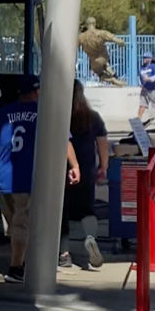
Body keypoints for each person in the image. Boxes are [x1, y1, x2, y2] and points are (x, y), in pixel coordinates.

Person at [0, 76, 79, 283]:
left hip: (4, 178)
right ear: (35, 92)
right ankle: (16, 268)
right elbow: (64, 141)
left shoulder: (4, 112)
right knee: (22, 226)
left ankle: (22, 262)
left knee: (16, 226)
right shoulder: (44, 114)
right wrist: (75, 165)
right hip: (28, 178)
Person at [62, 82, 107, 272]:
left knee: (61, 213)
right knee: (87, 209)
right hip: (87, 170)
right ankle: (90, 238)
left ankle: (64, 254)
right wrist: (104, 166)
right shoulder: (93, 117)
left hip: (63, 170)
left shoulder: (62, 115)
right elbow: (102, 144)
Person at [135, 56, 155, 124]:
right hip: (145, 89)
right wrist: (141, 84)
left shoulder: (154, 66)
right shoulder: (142, 68)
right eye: (144, 58)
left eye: (146, 58)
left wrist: (151, 79)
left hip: (153, 89)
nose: (144, 59)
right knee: (142, 104)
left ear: (150, 59)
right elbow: (140, 77)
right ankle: (138, 120)